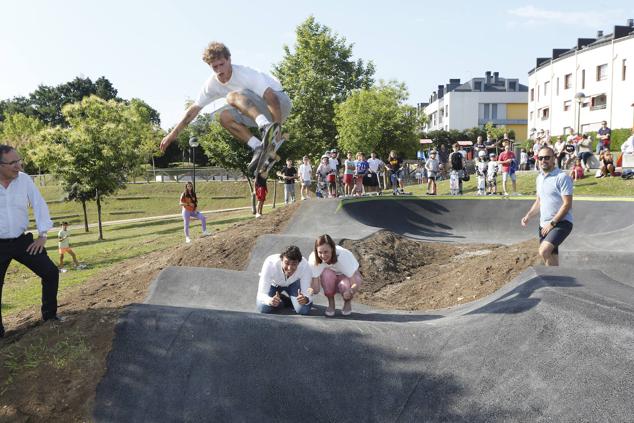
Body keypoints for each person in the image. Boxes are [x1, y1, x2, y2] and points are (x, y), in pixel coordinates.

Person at [159, 42, 292, 176]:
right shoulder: (211, 85)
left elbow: (271, 98)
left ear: (229, 60)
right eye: (214, 67)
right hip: (258, 111)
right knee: (224, 117)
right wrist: (173, 134)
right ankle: (258, 146)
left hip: (279, 103)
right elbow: (193, 110)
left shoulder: (246, 74)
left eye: (222, 64)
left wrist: (277, 129)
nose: (219, 70)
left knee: (231, 96)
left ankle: (265, 126)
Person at [1, 145, 61, 338]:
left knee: (50, 272)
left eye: (19, 161)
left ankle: (50, 317)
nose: (18, 166)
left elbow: (39, 204)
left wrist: (43, 235)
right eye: (13, 163)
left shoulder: (24, 180)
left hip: (21, 242)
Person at [521, 146, 573, 266]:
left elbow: (567, 204)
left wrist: (552, 223)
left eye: (547, 157)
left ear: (554, 158)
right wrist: (528, 216)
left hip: (561, 223)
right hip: (544, 225)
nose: (543, 160)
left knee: (544, 251)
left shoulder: (562, 177)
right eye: (540, 158)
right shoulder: (539, 178)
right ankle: (555, 281)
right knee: (550, 257)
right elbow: (539, 201)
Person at [308, 234, 363, 317]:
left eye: (326, 252)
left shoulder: (343, 256)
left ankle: (347, 302)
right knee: (326, 274)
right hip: (331, 276)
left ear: (332, 249)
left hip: (347, 277)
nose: (323, 256)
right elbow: (316, 289)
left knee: (344, 285)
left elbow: (354, 283)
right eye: (320, 252)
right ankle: (331, 303)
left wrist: (350, 291)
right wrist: (310, 290)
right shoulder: (314, 259)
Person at [256, 245, 313, 315]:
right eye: (287, 263)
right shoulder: (270, 263)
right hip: (274, 285)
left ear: (299, 263)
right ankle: (282, 301)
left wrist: (306, 299)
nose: (289, 268)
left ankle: (285, 300)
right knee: (263, 307)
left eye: (294, 264)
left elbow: (307, 292)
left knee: (303, 310)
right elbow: (261, 293)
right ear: (281, 260)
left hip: (294, 284)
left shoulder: (305, 265)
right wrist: (270, 300)